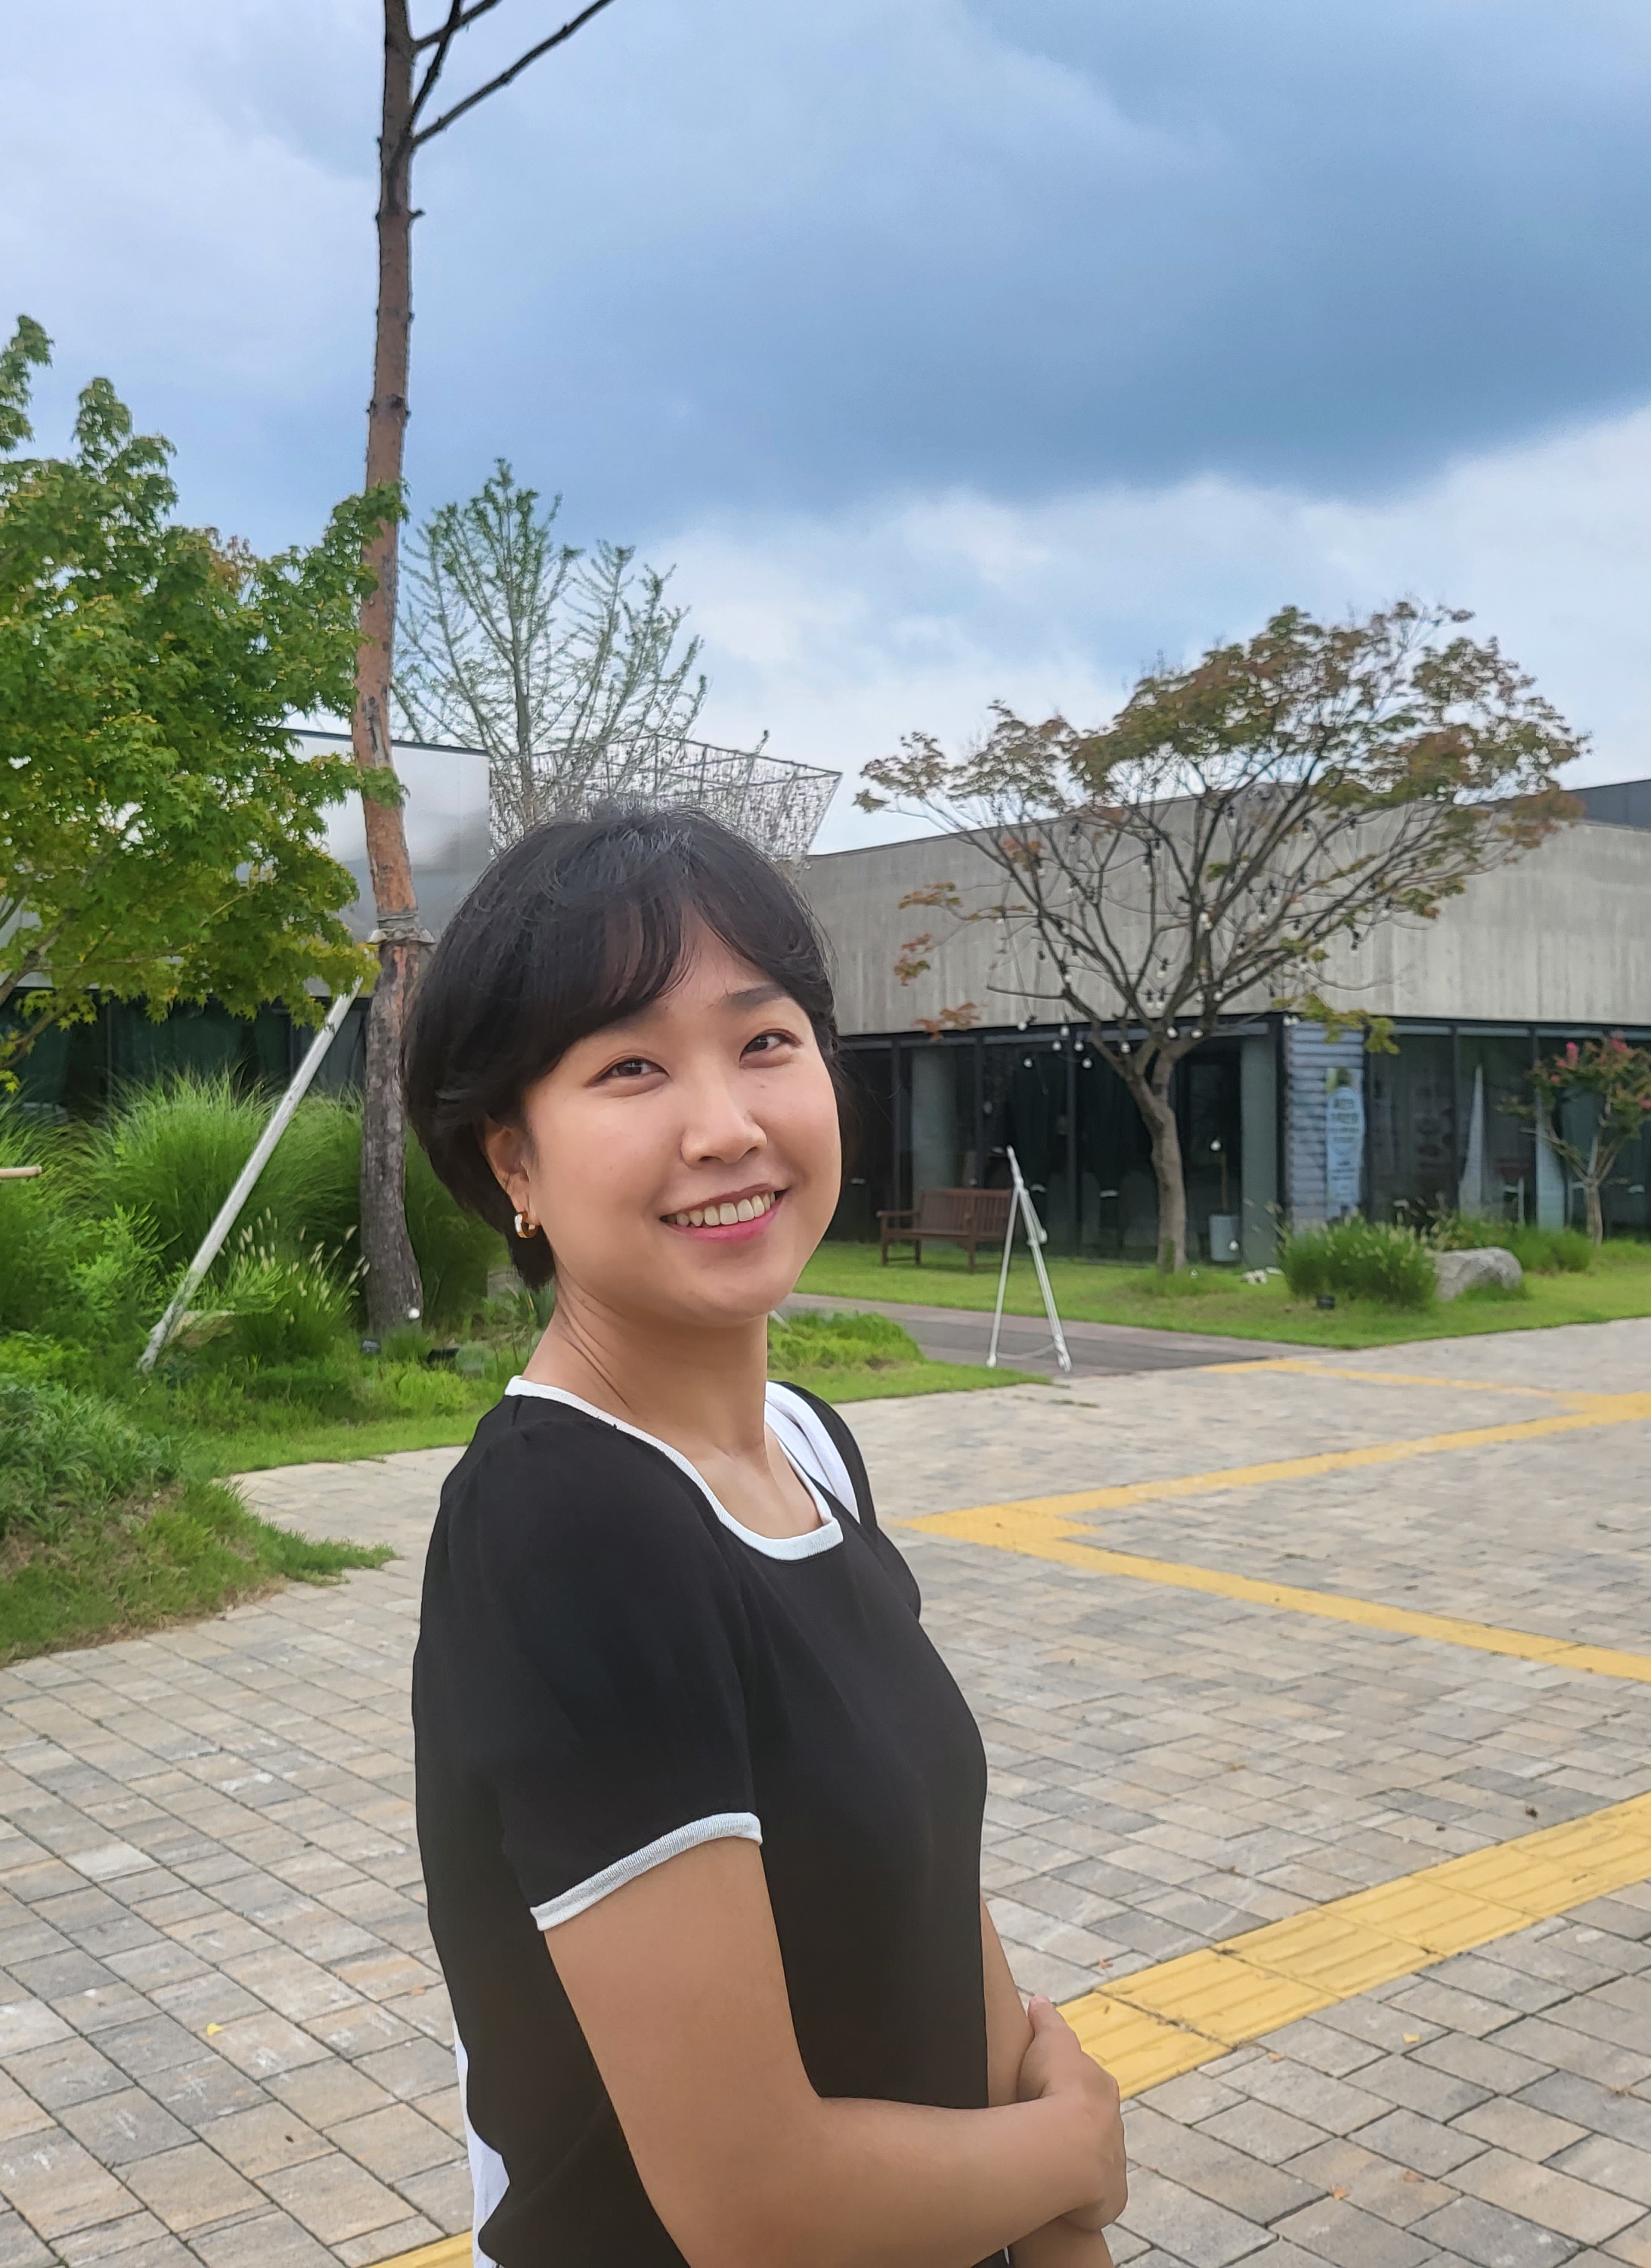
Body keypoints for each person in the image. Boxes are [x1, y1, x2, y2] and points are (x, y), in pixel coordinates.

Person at [406, 807, 1128, 2267]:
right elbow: (753, 2204)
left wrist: (1056, 2222)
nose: (725, 1125)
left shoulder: (803, 1444)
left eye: (764, 1040)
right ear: (513, 1164)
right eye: (629, 1068)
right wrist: (1071, 2149)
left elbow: (929, 1881)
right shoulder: (567, 1528)